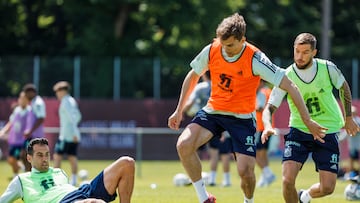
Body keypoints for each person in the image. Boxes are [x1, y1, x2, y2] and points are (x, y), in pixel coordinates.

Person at [168, 13, 325, 203]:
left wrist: (307, 120)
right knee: (183, 145)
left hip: (242, 118)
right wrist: (179, 110)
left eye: (231, 45)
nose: (225, 50)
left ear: (243, 40)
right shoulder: (212, 49)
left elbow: (290, 85)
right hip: (214, 112)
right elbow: (193, 76)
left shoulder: (255, 58)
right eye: (222, 44)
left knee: (246, 172)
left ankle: (248, 201)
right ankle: (204, 199)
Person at [261, 32, 360, 203]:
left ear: (314, 52)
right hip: (299, 130)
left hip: (327, 131)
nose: (299, 56)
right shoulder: (286, 76)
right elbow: (269, 108)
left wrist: (349, 117)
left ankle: (304, 196)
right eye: (297, 51)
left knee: (328, 188)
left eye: (305, 52)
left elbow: (343, 87)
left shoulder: (327, 68)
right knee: (287, 180)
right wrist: (267, 124)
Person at [0, 137, 135, 203]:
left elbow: (69, 190)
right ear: (29, 158)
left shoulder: (59, 172)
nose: (45, 159)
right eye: (40, 155)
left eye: (47, 154)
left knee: (127, 163)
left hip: (81, 192)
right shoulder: (21, 180)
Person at [183, 71, 233, 187]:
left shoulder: (200, 88)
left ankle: (212, 179)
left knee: (213, 153)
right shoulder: (223, 86)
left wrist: (184, 110)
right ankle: (226, 180)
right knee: (225, 153)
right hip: (224, 123)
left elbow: (190, 103)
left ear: (204, 75)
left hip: (208, 124)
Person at [53, 81, 82, 186]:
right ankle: (73, 180)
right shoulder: (72, 100)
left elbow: (72, 118)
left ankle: (56, 181)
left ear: (62, 91)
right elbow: (78, 116)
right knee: (72, 157)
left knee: (57, 156)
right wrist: (75, 133)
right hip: (72, 135)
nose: (56, 94)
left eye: (57, 91)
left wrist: (74, 132)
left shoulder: (66, 102)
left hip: (65, 136)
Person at [0, 91, 30, 178]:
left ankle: (20, 176)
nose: (22, 100)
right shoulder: (17, 110)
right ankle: (18, 172)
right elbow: (11, 123)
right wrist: (3, 131)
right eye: (21, 98)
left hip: (23, 140)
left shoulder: (29, 111)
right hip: (15, 140)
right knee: (10, 159)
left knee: (24, 158)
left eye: (24, 98)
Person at [255, 80, 276, 187]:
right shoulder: (269, 91)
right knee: (263, 154)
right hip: (268, 126)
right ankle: (265, 177)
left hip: (261, 127)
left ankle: (268, 174)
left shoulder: (262, 92)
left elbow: (260, 108)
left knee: (257, 155)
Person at [22, 83, 46, 171]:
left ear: (32, 92)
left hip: (35, 136)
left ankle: (30, 174)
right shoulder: (32, 103)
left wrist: (30, 131)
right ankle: (28, 173)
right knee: (25, 155)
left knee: (28, 155)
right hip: (31, 135)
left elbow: (41, 118)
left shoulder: (37, 103)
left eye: (26, 93)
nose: (25, 95)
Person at [346, 106, 360, 177]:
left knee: (358, 160)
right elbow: (346, 133)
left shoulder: (358, 120)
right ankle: (351, 174)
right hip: (352, 146)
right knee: (351, 160)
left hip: (358, 145)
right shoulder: (349, 121)